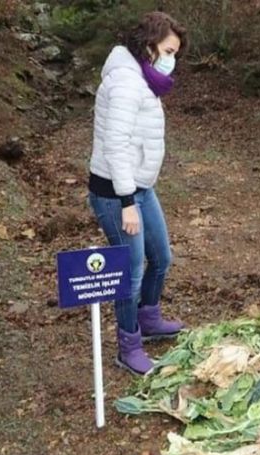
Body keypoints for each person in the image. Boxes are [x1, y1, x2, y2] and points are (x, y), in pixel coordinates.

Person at [87, 12, 188, 375]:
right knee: (130, 273)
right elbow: (115, 147)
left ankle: (149, 319)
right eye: (168, 50)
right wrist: (128, 203)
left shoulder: (144, 78)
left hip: (141, 188)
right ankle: (128, 346)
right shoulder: (127, 83)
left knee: (161, 258)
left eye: (175, 52)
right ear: (148, 45)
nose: (171, 58)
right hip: (117, 196)